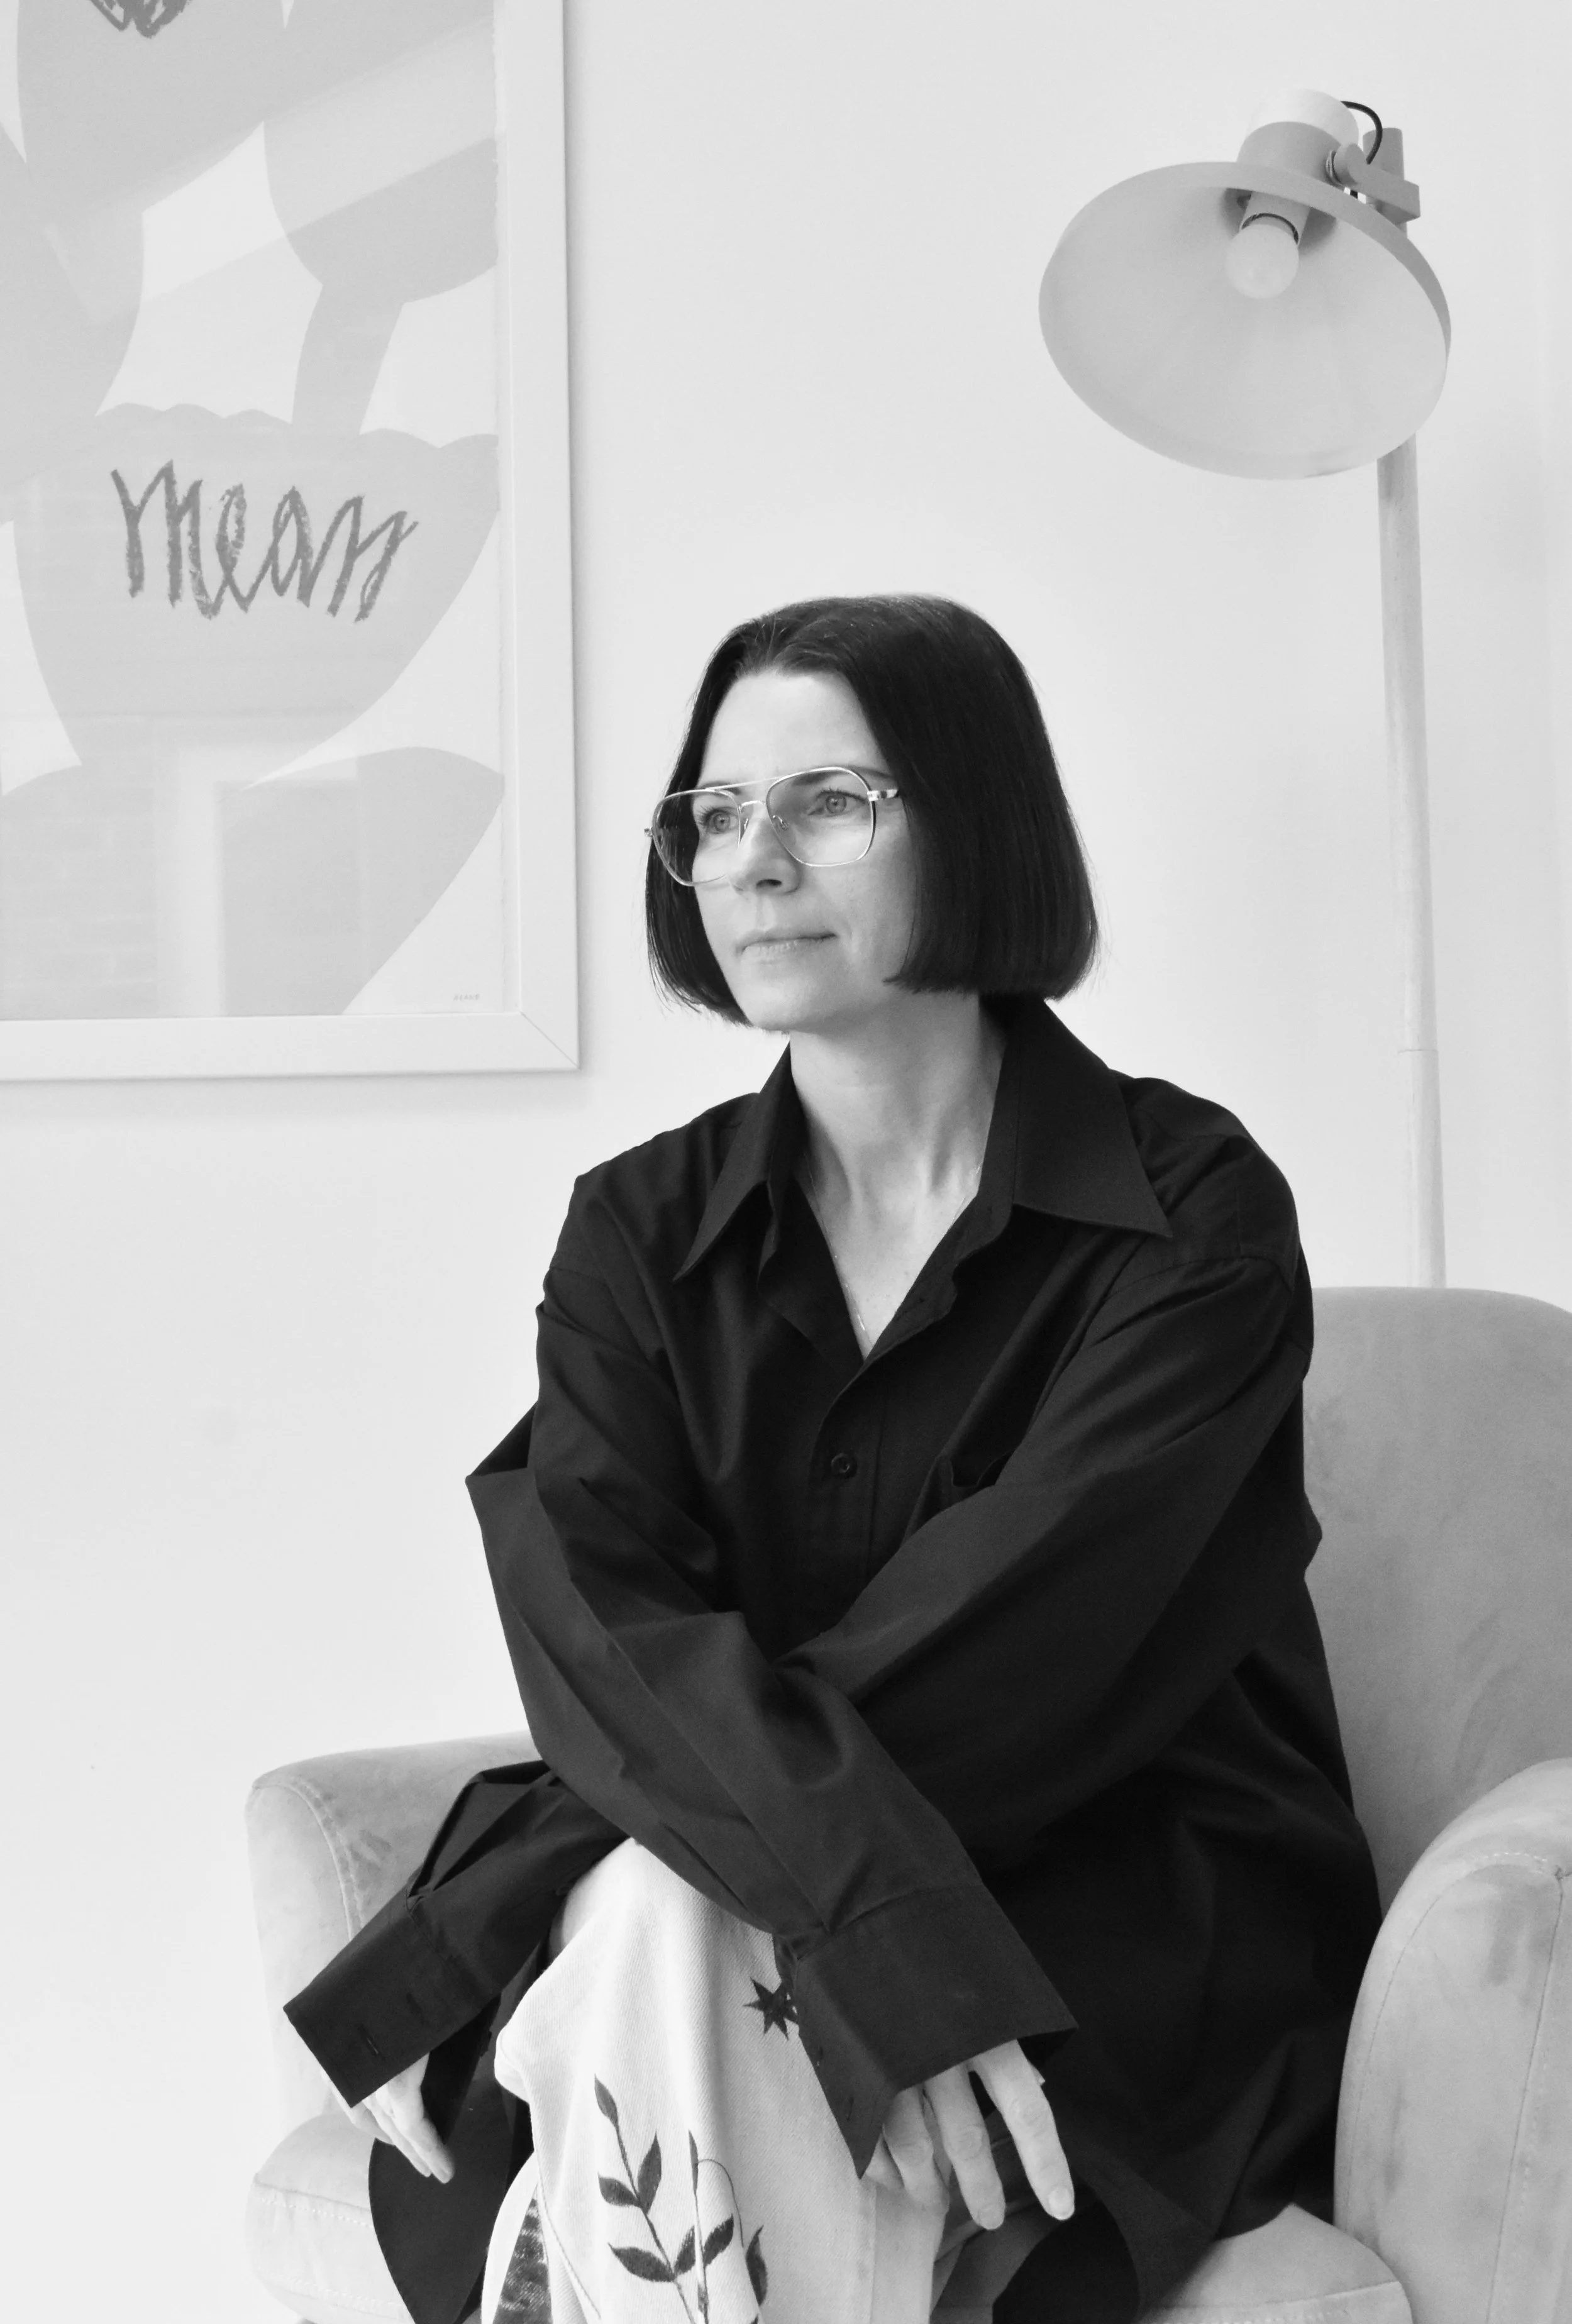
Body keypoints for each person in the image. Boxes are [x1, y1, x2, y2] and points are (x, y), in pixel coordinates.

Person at [287, 595, 1381, 2324]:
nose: (753, 863)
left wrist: (845, 1925)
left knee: (658, 1905)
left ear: (980, 824)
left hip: (1113, 1904)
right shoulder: (638, 1229)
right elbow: (594, 1617)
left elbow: (1031, 1637)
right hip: (755, 1888)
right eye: (714, 815)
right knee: (670, 1916)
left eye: (829, 803)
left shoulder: (1189, 1214)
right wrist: (857, 1926)